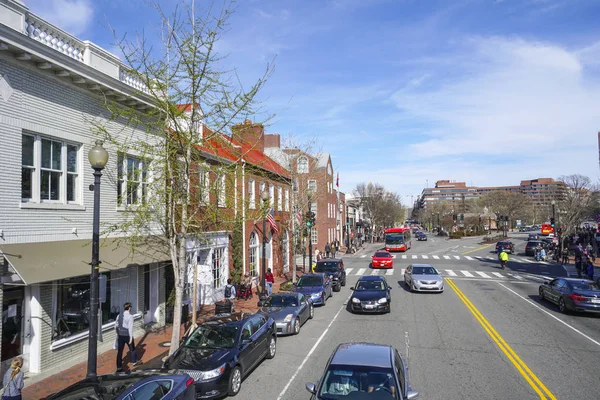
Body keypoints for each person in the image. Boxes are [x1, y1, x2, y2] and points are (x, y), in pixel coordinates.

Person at [115, 302, 139, 373]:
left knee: (120, 351)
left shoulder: (119, 315)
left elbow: (116, 325)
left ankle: (119, 366)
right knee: (132, 349)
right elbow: (130, 328)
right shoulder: (130, 316)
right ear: (129, 308)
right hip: (127, 335)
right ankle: (134, 362)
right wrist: (131, 337)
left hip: (120, 335)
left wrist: (118, 333)